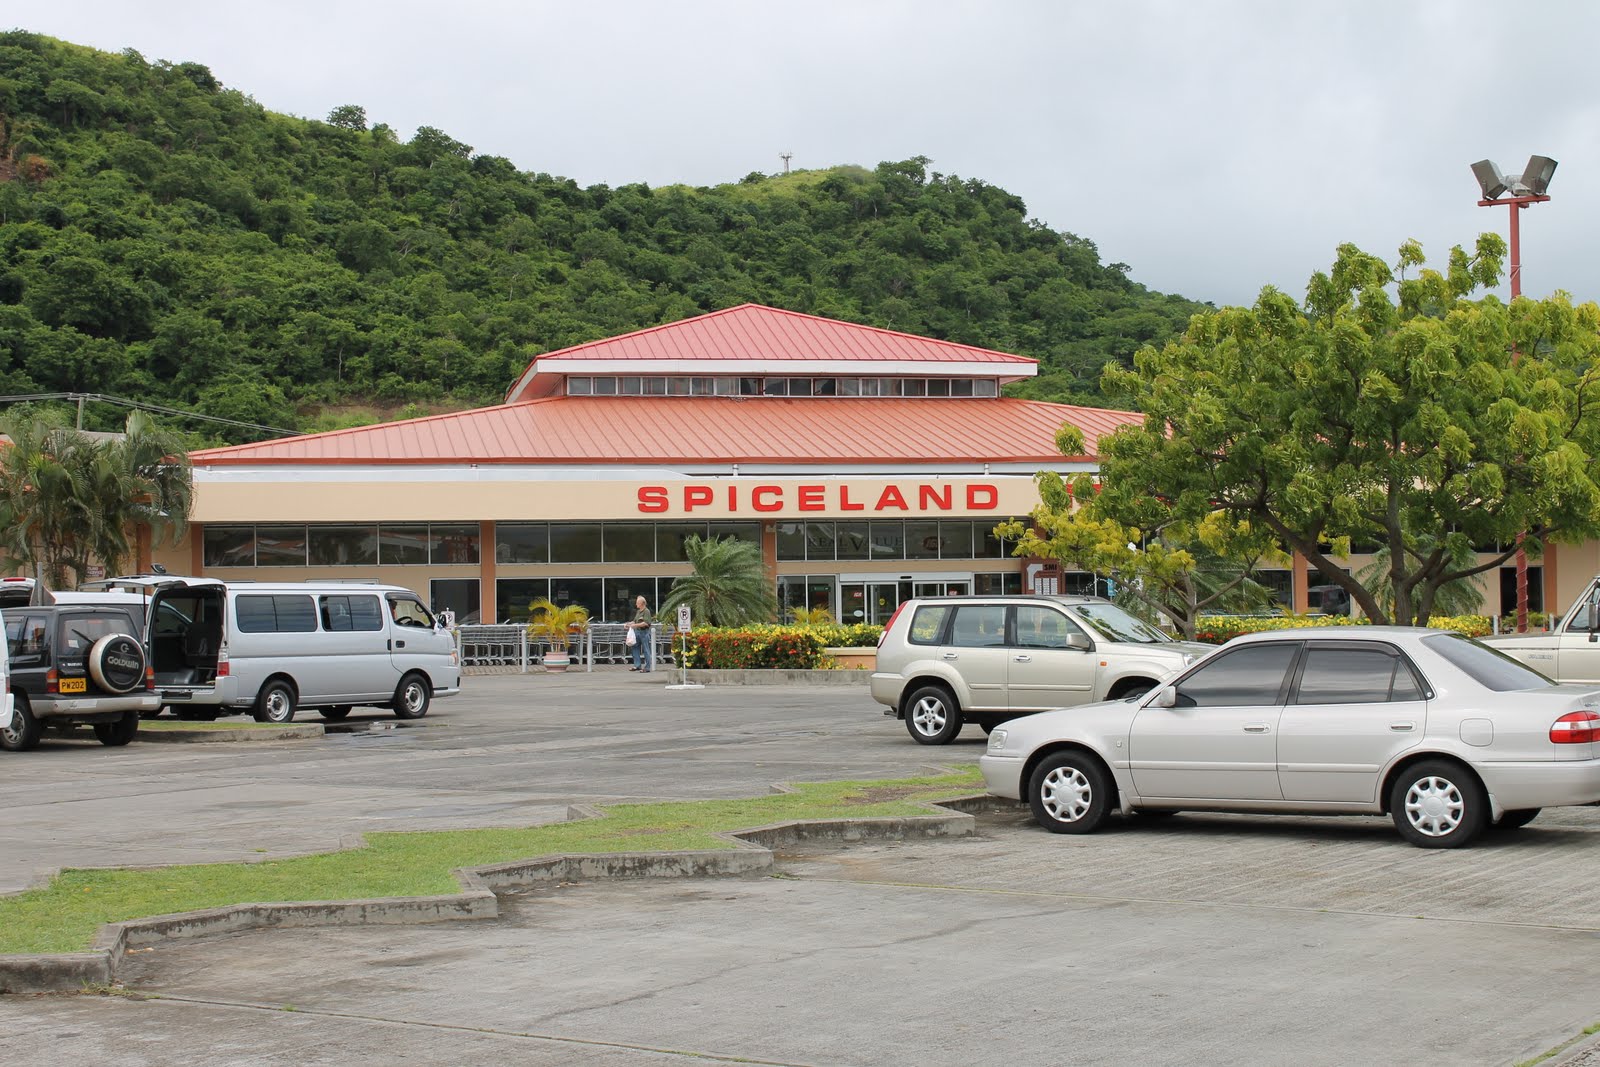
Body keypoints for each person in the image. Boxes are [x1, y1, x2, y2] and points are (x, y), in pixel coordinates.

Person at [627, 595, 654, 672]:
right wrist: (628, 624)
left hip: (644, 632)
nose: (636, 604)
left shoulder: (646, 611)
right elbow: (634, 621)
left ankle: (647, 667)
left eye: (637, 603)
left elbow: (646, 623)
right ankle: (637, 665)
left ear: (642, 603)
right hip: (637, 632)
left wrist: (634, 625)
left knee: (646, 650)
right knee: (635, 648)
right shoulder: (638, 612)